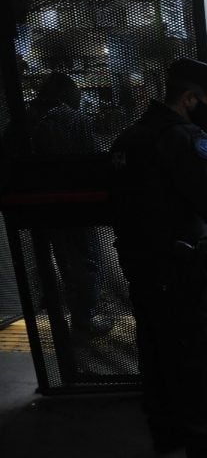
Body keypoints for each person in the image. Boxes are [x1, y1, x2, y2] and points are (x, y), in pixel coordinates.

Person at [110, 58, 207, 458]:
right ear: (188, 98)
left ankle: (166, 432)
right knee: (197, 355)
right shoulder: (185, 139)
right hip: (179, 267)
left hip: (139, 264)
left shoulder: (129, 137)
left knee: (156, 350)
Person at [28, 73, 114, 340]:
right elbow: (95, 160)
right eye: (76, 91)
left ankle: (60, 314)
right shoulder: (72, 119)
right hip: (75, 205)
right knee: (86, 261)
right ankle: (83, 319)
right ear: (65, 93)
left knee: (59, 261)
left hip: (37, 206)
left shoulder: (25, 118)